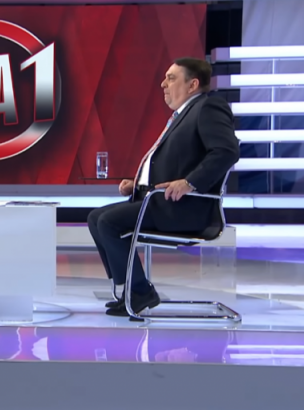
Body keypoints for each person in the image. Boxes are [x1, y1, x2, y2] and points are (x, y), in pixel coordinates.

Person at [87, 57, 239, 317]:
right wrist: (138, 183)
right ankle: (130, 287)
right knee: (95, 218)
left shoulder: (208, 107)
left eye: (171, 78)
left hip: (185, 207)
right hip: (160, 201)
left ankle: (139, 291)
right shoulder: (183, 115)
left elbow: (227, 151)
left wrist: (190, 182)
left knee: (109, 222)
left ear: (192, 85)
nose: (163, 84)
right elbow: (173, 161)